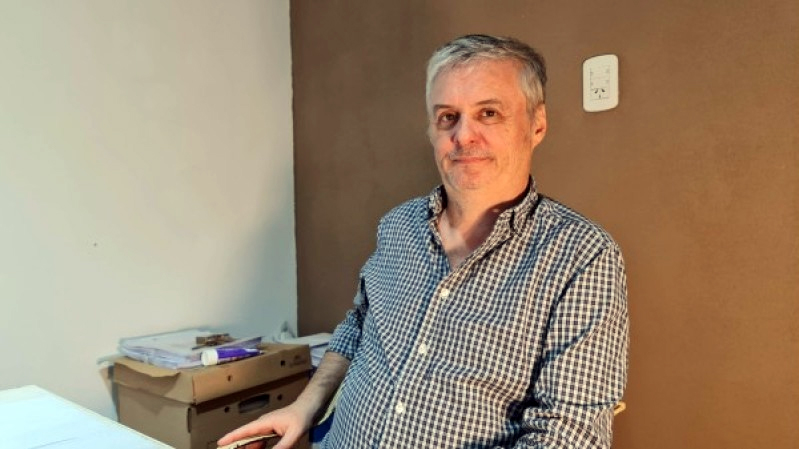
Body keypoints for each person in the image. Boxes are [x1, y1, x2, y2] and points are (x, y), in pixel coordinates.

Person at [219, 34, 629, 449]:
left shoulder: (582, 255)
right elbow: (357, 326)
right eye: (448, 117)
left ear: (536, 124)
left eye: (489, 113)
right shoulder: (398, 226)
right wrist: (303, 409)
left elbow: (567, 436)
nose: (464, 136)